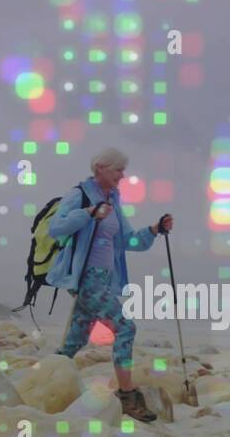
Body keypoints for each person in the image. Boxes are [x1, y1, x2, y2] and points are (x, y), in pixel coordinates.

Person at [46, 147, 174, 422]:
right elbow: (56, 228)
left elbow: (128, 241)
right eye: (118, 170)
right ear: (101, 167)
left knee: (75, 340)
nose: (122, 175)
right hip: (87, 278)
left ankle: (46, 380)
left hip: (105, 279)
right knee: (125, 327)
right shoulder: (79, 194)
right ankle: (127, 396)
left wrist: (155, 229)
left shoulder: (113, 201)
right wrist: (90, 213)